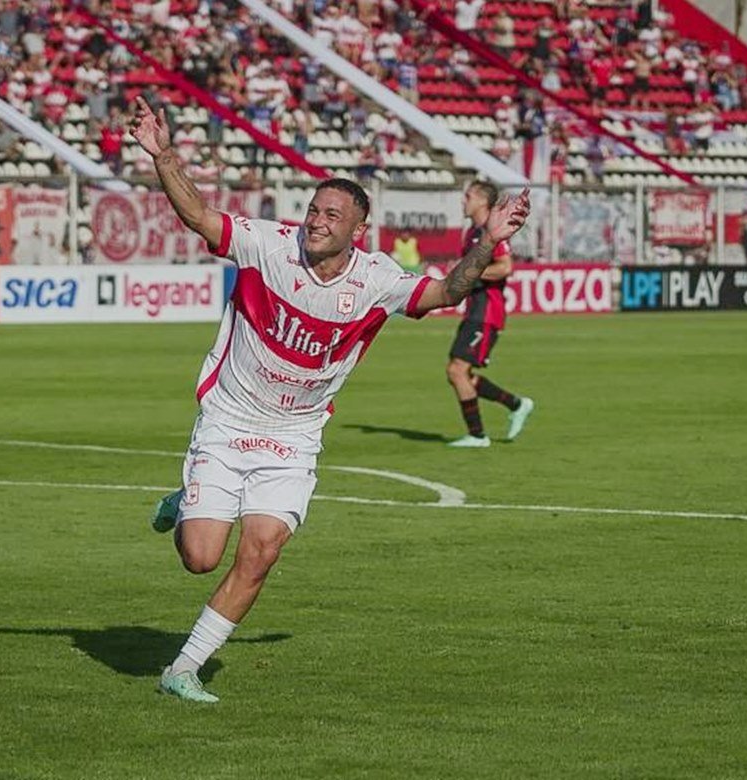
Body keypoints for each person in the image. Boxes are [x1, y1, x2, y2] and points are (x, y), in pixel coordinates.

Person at [129, 97, 530, 703]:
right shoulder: (267, 246)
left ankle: (183, 668)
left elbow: (448, 290)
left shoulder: (376, 280)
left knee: (261, 552)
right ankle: (184, 503)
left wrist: (489, 241)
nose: (316, 222)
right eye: (314, 210)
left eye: (332, 215)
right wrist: (163, 156)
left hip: (294, 436)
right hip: (230, 419)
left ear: (357, 230)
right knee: (201, 558)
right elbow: (201, 217)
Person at [444, 180, 535, 448]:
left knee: (457, 371)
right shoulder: (471, 232)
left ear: (483, 201)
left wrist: (470, 272)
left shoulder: (492, 230)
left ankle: (477, 436)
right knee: (460, 373)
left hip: (487, 312)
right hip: (474, 310)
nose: (463, 200)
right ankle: (516, 404)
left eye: (468, 196)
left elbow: (505, 267)